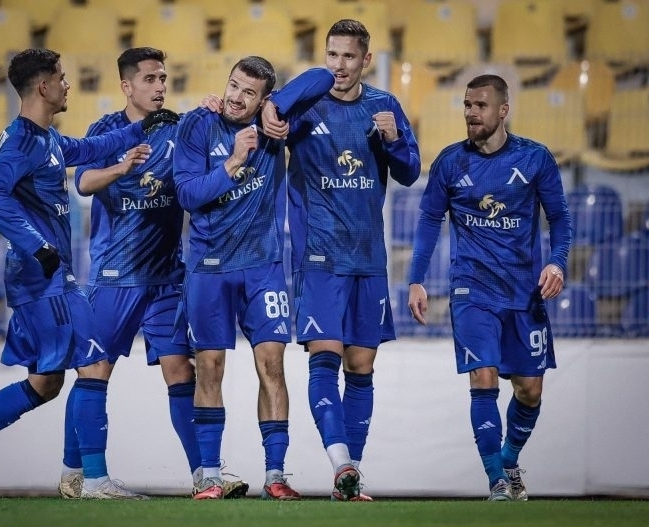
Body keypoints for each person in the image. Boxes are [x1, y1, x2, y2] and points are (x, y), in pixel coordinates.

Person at [0, 48, 177, 500]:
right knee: (93, 361)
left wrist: (141, 128)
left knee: (45, 384)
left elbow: (90, 149)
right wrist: (35, 245)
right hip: (44, 279)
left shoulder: (45, 138)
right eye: (61, 77)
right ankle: (93, 480)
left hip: (42, 279)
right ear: (43, 86)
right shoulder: (23, 142)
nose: (67, 84)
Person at [59, 47, 248, 500]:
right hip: (115, 276)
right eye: (149, 79)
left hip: (166, 279)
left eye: (163, 78)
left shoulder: (180, 129)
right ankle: (80, 473)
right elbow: (82, 182)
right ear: (126, 86)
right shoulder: (106, 131)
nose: (160, 86)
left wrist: (215, 112)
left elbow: (210, 162)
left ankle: (205, 474)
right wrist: (121, 167)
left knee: (181, 370)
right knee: (94, 372)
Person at [261, 19, 420, 501]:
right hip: (319, 257)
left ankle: (351, 478)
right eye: (332, 55)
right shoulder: (307, 105)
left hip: (368, 259)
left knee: (362, 365)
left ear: (366, 60)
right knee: (324, 357)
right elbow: (267, 115)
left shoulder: (384, 106)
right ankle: (340, 463)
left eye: (349, 56)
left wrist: (395, 141)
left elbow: (411, 172)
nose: (339, 65)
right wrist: (271, 108)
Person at [173, 56, 334, 500]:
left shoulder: (274, 124)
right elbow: (186, 194)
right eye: (233, 85)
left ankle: (276, 475)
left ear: (262, 98)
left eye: (249, 92)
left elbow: (323, 76)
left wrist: (274, 107)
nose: (236, 97)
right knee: (209, 367)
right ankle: (209, 475)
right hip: (209, 269)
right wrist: (233, 162)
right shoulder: (196, 125)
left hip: (263, 268)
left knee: (272, 365)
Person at [407, 74, 572, 501]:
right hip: (472, 291)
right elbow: (429, 221)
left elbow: (559, 218)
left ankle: (509, 460)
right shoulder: (449, 163)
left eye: (480, 105)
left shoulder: (534, 158)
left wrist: (557, 262)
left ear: (503, 110)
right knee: (482, 378)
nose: (471, 113)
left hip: (524, 293)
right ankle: (496, 481)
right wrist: (416, 279)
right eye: (467, 105)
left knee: (529, 390)